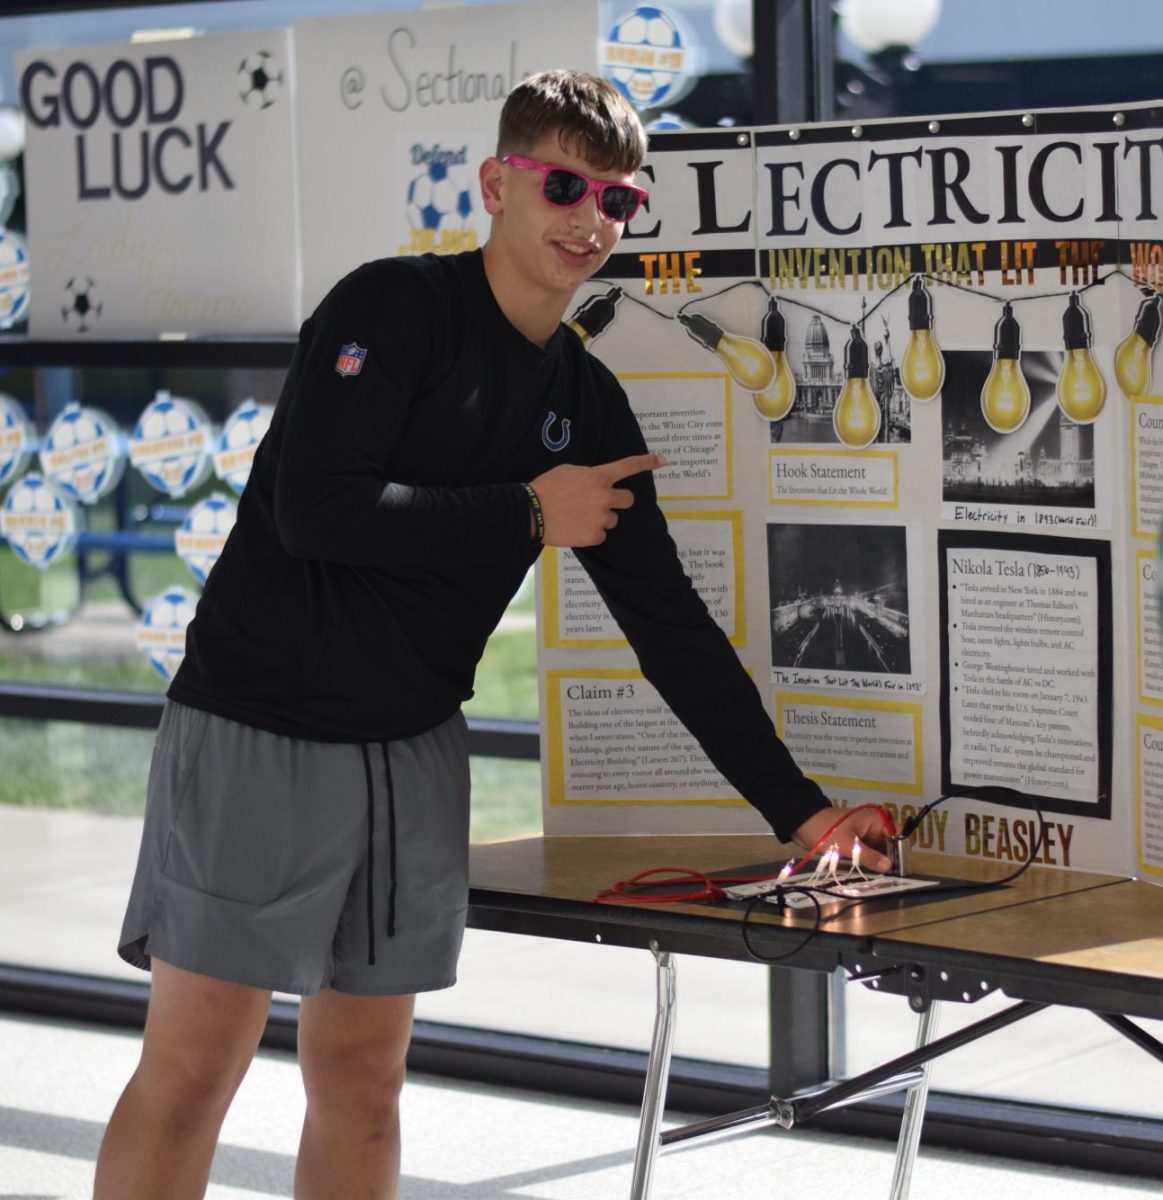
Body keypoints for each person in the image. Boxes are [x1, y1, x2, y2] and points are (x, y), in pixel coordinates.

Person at [93, 69, 891, 1200]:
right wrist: (526, 510)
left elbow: (666, 624)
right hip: (258, 729)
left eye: (616, 200)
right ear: (495, 186)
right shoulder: (390, 309)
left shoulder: (588, 403)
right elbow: (313, 511)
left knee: (365, 1081)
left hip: (412, 749)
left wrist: (797, 810)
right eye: (564, 184)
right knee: (192, 1073)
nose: (587, 219)